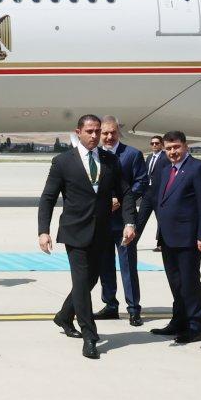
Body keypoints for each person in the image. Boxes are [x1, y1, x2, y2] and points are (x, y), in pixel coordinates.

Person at [40, 115, 138, 359]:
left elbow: (126, 193)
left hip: (102, 232)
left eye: (97, 131)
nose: (95, 136)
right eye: (90, 131)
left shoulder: (110, 160)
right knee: (82, 282)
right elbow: (48, 198)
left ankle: (64, 316)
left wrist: (129, 222)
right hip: (75, 232)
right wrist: (43, 230)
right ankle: (90, 336)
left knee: (90, 280)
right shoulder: (63, 162)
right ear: (78, 132)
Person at [136, 131, 201, 344]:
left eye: (176, 147)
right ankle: (179, 321)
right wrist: (136, 227)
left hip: (188, 238)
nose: (172, 152)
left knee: (189, 283)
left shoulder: (198, 168)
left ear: (185, 146)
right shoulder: (164, 170)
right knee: (176, 283)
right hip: (167, 238)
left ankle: (195, 327)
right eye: (168, 148)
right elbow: (153, 199)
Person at [94, 116, 148, 326]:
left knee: (128, 265)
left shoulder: (132, 155)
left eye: (113, 132)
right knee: (104, 264)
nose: (109, 137)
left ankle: (134, 309)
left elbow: (141, 182)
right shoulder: (94, 155)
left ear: (119, 132)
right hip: (101, 221)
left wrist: (121, 200)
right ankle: (110, 305)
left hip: (124, 220)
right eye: (105, 133)